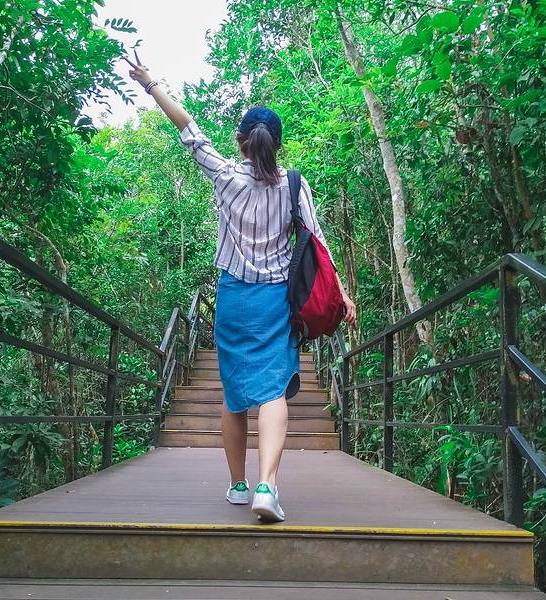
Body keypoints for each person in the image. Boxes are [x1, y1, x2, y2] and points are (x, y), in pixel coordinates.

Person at [125, 51, 355, 522]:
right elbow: (317, 242)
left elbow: (187, 128)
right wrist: (343, 293)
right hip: (275, 302)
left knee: (234, 396)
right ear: (278, 144)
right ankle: (268, 486)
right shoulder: (295, 185)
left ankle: (237, 485)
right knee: (272, 391)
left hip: (232, 297)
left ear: (241, 141)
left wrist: (150, 83)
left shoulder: (226, 176)